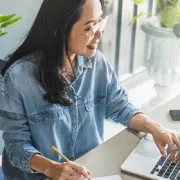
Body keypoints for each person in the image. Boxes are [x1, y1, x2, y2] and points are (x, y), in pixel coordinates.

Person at [0, 0, 180, 179]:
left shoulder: (97, 63)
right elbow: (16, 146)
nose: (99, 34)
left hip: (90, 171)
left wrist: (156, 129)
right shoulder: (19, 78)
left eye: (100, 22)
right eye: (89, 28)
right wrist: (52, 168)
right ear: (59, 30)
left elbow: (121, 106)